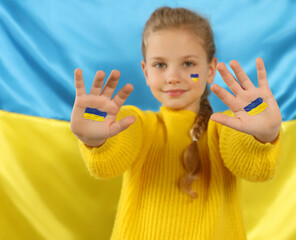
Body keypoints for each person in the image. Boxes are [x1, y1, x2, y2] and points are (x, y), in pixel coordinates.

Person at [70, 6, 282, 240]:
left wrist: (264, 136)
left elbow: (255, 169)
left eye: (188, 64)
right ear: (146, 72)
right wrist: (97, 141)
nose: (173, 76)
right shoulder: (137, 123)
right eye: (160, 65)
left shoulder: (228, 127)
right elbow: (107, 165)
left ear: (210, 70)